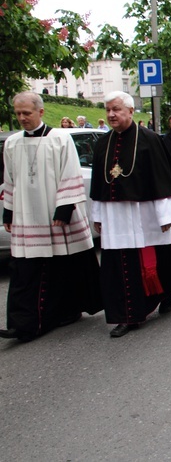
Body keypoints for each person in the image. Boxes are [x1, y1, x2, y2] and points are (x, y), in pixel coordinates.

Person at [0, 92, 101, 342]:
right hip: (27, 216)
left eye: (27, 113)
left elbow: (70, 173)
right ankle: (23, 322)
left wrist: (64, 209)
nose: (22, 118)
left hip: (55, 214)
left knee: (62, 265)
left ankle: (67, 311)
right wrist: (9, 210)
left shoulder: (59, 139)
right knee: (25, 269)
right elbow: (10, 180)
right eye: (18, 113)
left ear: (41, 112)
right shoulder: (12, 143)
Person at [90, 91, 171, 338]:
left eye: (116, 109)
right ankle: (128, 314)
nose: (111, 114)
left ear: (131, 111)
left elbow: (161, 178)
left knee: (158, 255)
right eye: (108, 110)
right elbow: (98, 184)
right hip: (115, 214)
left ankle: (166, 292)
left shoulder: (149, 139)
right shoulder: (103, 142)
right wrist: (98, 215)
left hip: (145, 211)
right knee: (120, 263)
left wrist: (166, 215)